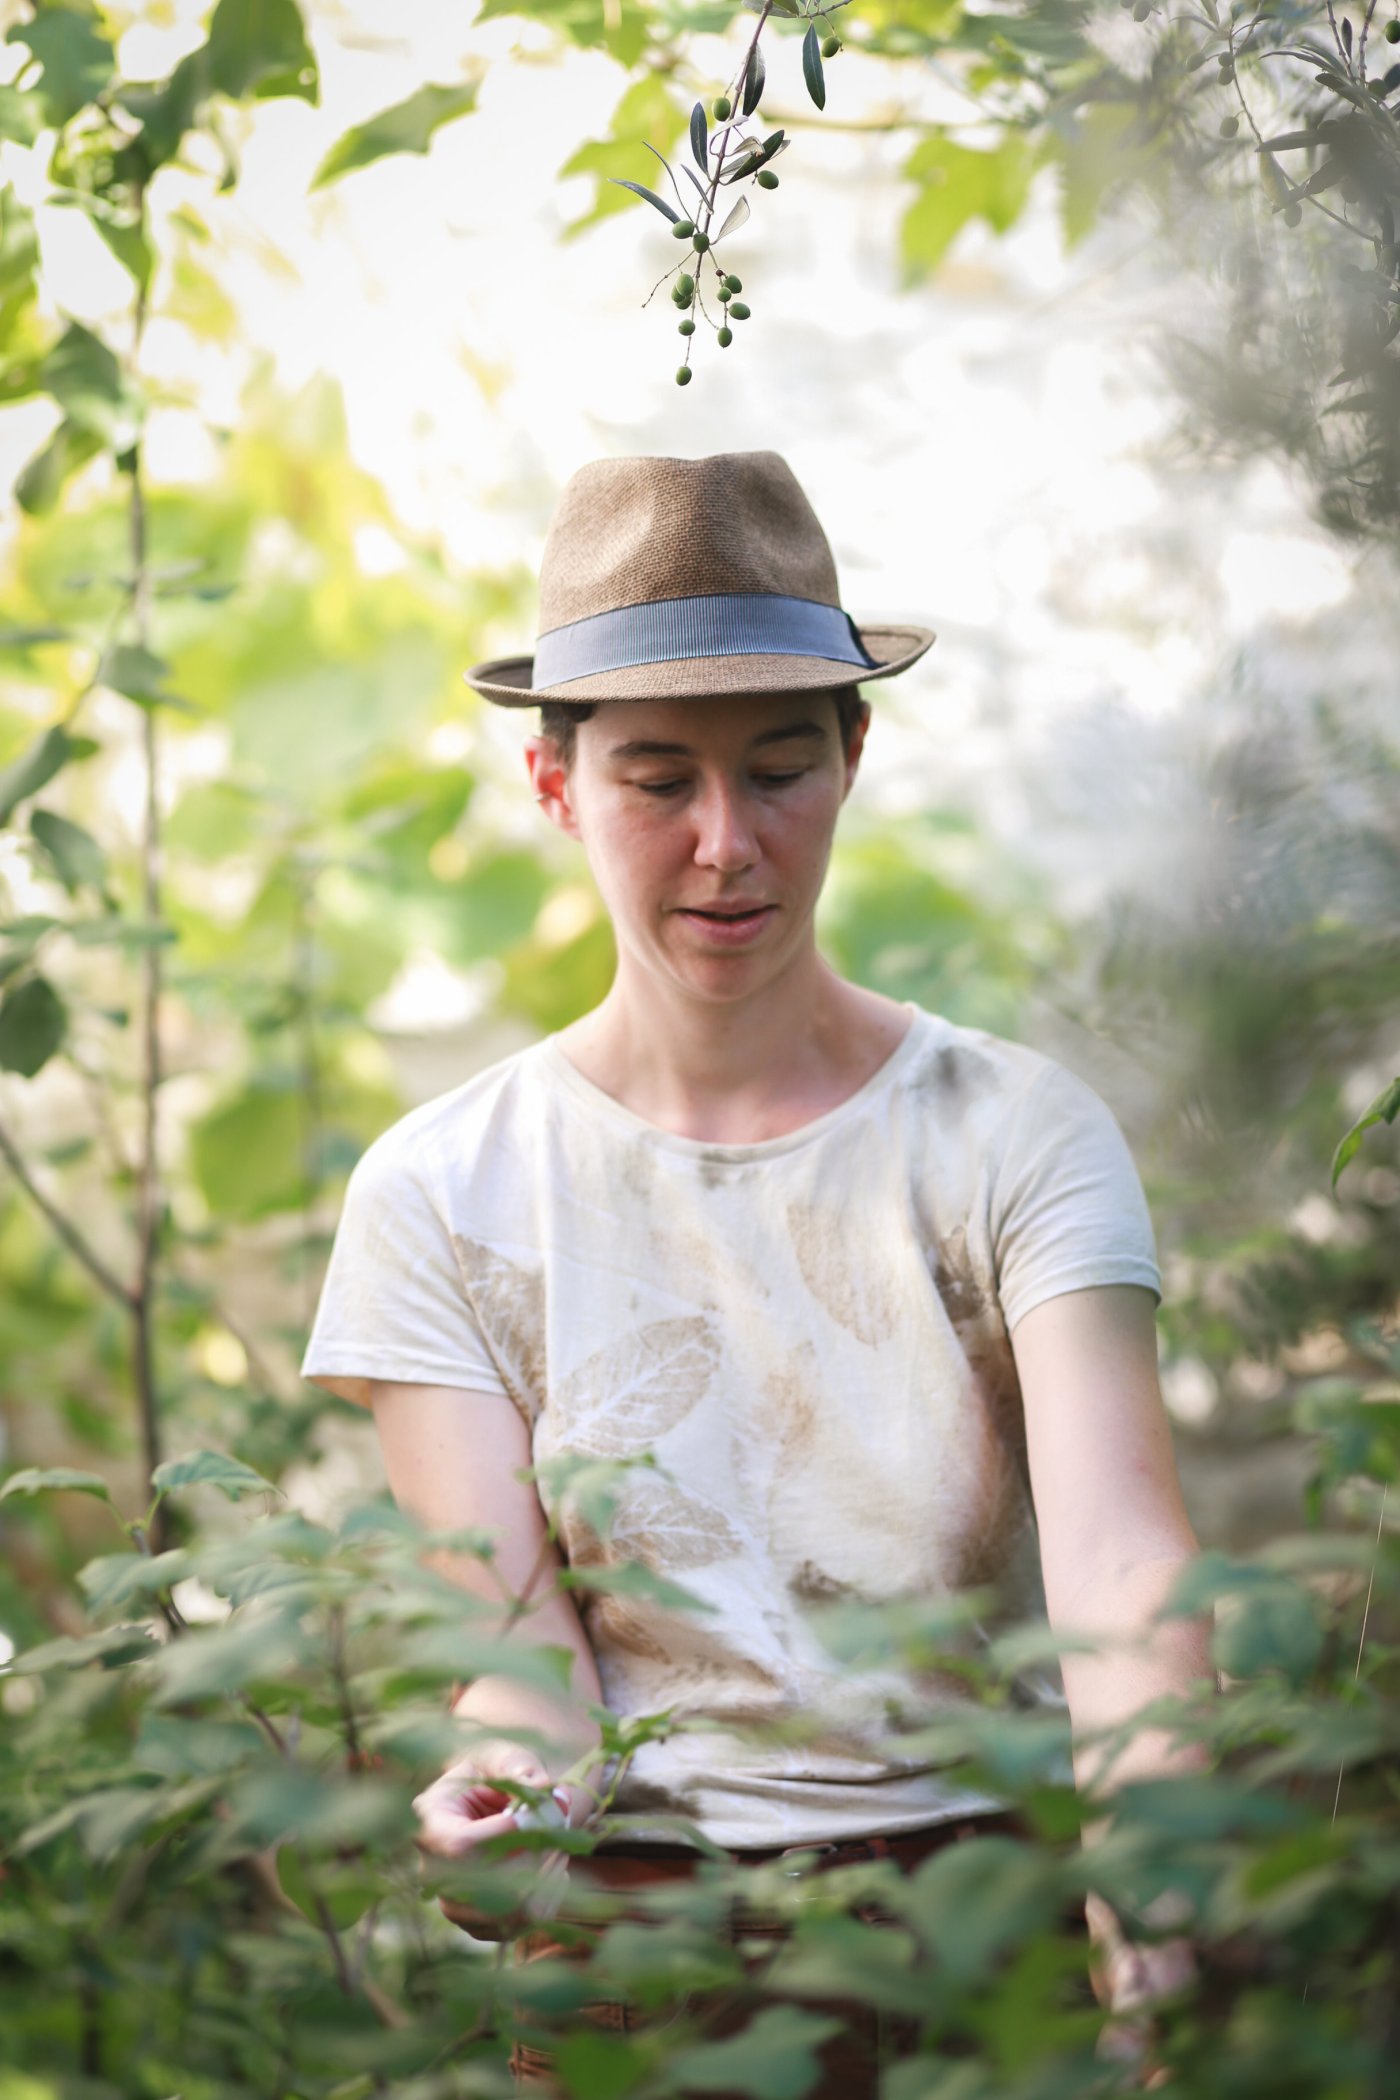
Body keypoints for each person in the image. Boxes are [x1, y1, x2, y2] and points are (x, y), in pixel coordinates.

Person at [299, 450, 1210, 2093]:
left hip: (985, 1917)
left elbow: (1126, 1567)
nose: (728, 845)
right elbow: (521, 1667)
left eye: (780, 768)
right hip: (643, 1956)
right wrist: (503, 1807)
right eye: (659, 781)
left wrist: (1157, 1897)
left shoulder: (1014, 1134)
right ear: (556, 782)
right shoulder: (442, 1191)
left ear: (855, 755)